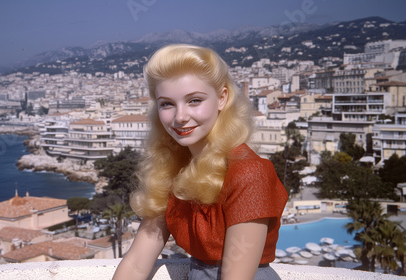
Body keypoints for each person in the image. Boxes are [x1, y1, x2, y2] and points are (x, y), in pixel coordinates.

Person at [113, 44, 288, 280]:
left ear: (222, 98)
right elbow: (136, 263)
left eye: (194, 100)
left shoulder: (249, 172)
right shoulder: (171, 170)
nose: (180, 117)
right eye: (167, 104)